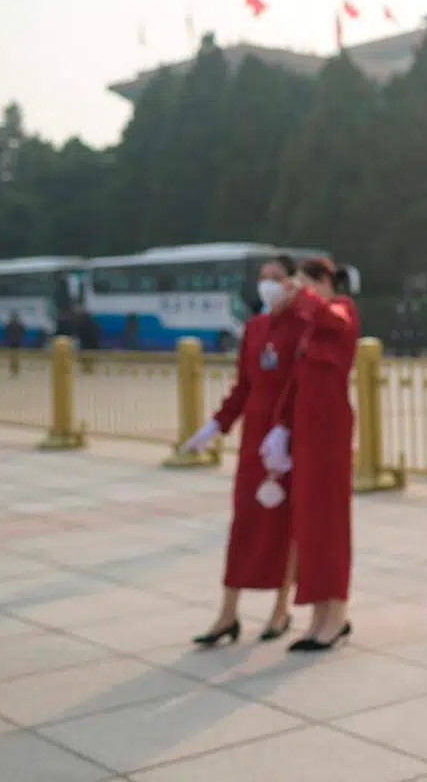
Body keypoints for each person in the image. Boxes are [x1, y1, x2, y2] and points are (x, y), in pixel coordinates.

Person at [184, 255, 303, 647]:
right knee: (244, 525)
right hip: (254, 442)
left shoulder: (303, 327)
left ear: (293, 283)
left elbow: (303, 386)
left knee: (285, 527)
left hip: (286, 441)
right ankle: (227, 613)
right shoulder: (253, 328)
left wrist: (286, 431)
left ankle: (280, 608)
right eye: (263, 278)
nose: (268, 284)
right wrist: (216, 424)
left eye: (277, 278)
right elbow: (243, 387)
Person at [263, 256, 361, 652]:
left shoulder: (341, 310)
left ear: (324, 282)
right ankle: (319, 613)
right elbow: (296, 379)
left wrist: (303, 297)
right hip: (306, 437)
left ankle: (335, 615)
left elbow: (333, 320)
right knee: (309, 526)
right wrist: (279, 426)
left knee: (330, 524)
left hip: (330, 436)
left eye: (306, 283)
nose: (298, 291)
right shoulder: (308, 324)